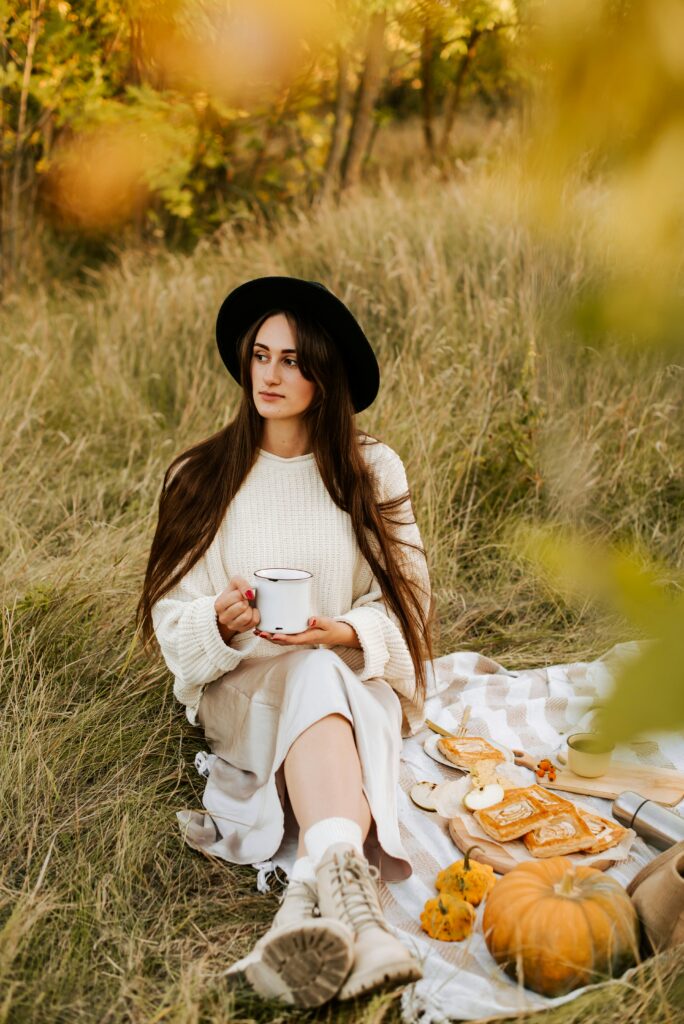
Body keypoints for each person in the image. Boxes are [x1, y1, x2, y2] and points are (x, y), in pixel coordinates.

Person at [137, 276, 435, 1007]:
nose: (271, 376)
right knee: (304, 673)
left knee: (316, 669)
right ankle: (361, 918)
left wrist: (346, 632)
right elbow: (174, 626)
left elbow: (411, 609)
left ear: (325, 376)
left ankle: (307, 900)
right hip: (244, 703)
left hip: (346, 686)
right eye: (261, 356)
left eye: (294, 361)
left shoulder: (371, 470)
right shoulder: (199, 477)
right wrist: (219, 622)